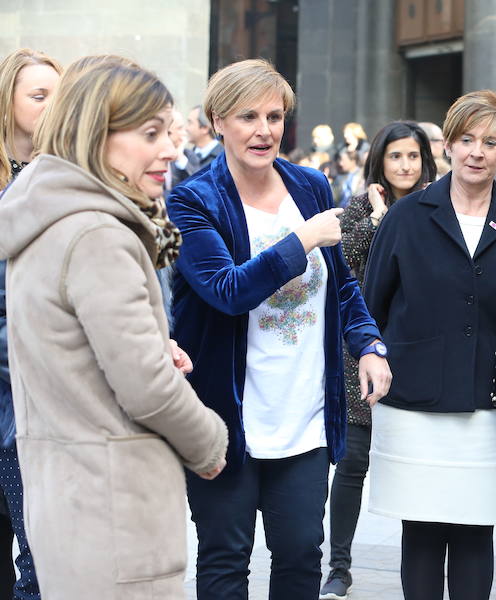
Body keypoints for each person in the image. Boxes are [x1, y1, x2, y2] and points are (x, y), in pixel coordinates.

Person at [0, 60, 228, 599]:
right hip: (115, 512)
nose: (170, 149)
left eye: (170, 131)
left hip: (72, 499)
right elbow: (146, 386)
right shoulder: (96, 233)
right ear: (96, 134)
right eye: (151, 133)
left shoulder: (47, 215)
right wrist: (211, 442)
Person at [166, 59, 391, 600]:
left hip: (304, 418)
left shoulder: (310, 186)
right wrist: (303, 239)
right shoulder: (194, 199)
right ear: (217, 120)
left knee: (299, 558)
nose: (264, 130)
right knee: (224, 560)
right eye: (248, 116)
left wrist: (368, 343)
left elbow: (341, 286)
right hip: (227, 418)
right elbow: (226, 291)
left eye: (275, 116)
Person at [363, 90, 496, 600]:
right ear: (449, 145)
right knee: (419, 531)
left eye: (490, 142)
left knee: (473, 531)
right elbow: (372, 304)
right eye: (466, 139)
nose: (476, 152)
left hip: (485, 404)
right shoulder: (406, 217)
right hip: (413, 399)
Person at [320, 121, 437, 600]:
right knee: (352, 464)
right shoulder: (359, 208)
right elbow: (342, 264)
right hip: (363, 352)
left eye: (413, 156)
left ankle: (422, 568)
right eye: (395, 157)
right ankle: (339, 566)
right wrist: (377, 220)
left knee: (414, 464)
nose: (405, 165)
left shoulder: (441, 205)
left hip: (417, 351)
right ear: (380, 163)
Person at [0, 46, 61, 600]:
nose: (50, 107)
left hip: (46, 401)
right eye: (37, 96)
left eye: (56, 96)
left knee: (44, 559)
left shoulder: (65, 177)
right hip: (12, 391)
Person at [168, 108, 200, 189]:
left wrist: (180, 158)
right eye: (179, 128)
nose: (184, 132)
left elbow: (199, 186)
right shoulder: (154, 157)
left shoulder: (189, 155)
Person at [186, 103, 223, 169]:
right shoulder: (186, 157)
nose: (186, 128)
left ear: (205, 128)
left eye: (190, 123)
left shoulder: (224, 157)